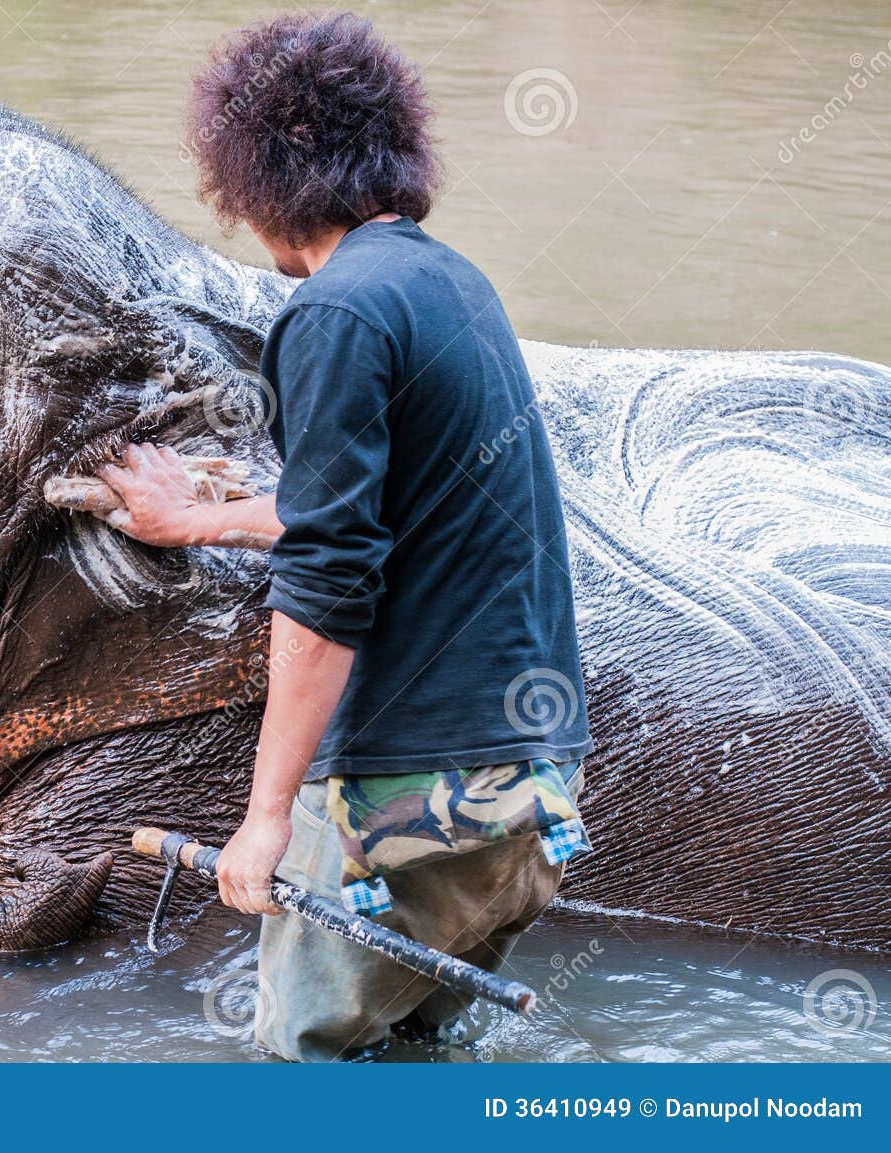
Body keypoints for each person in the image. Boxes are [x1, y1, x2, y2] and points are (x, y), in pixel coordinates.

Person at [96, 12, 594, 1061]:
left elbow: (328, 574)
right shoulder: (447, 285)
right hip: (527, 796)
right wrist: (190, 518)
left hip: (413, 801)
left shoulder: (334, 313)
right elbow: (368, 508)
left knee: (301, 1072)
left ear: (258, 176)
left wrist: (266, 816)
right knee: (414, 1062)